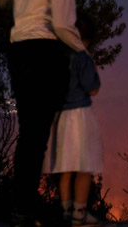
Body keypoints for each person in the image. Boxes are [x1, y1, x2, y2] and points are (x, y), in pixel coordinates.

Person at [0, 0, 85, 225]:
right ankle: (28, 204)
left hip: (19, 51)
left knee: (30, 133)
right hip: (46, 52)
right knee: (43, 132)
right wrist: (82, 52)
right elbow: (62, 23)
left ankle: (23, 201)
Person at [42, 16, 103, 226]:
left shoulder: (59, 57)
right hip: (79, 116)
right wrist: (93, 67)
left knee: (65, 166)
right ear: (87, 38)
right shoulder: (82, 58)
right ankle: (79, 213)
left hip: (61, 116)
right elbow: (93, 88)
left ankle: (66, 211)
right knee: (84, 166)